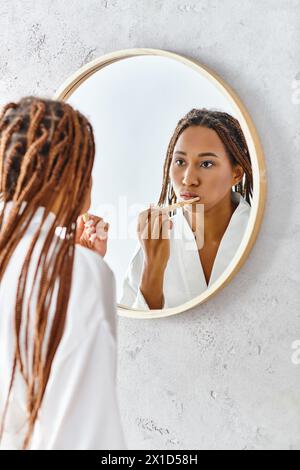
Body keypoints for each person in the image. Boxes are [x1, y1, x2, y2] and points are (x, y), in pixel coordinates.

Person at [0, 97, 126, 450]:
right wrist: (81, 269)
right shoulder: (73, 273)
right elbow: (85, 438)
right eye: (88, 168)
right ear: (71, 176)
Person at [119, 108, 253, 310]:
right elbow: (136, 336)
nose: (188, 179)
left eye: (206, 163)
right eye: (180, 161)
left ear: (236, 173)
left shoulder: (261, 235)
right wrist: (152, 269)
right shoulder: (151, 247)